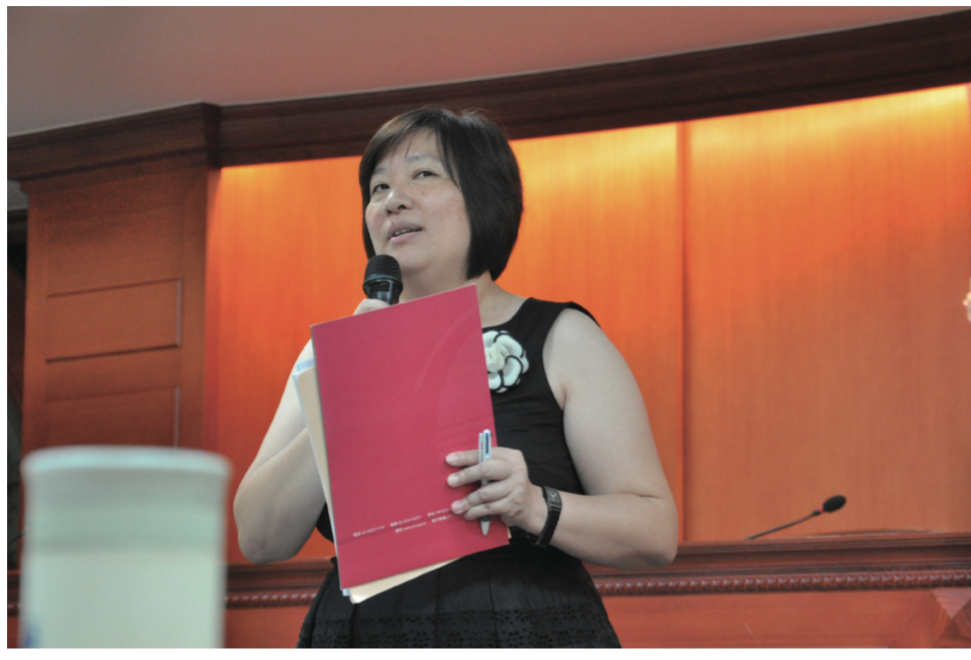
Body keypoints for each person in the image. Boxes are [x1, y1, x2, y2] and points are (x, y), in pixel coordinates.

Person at [233, 107, 678, 647]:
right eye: (378, 188)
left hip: (520, 626)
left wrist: (533, 505)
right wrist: (347, 389)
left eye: (423, 174)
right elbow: (259, 537)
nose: (392, 200)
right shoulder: (329, 354)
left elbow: (654, 531)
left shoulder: (562, 337)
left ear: (485, 197)